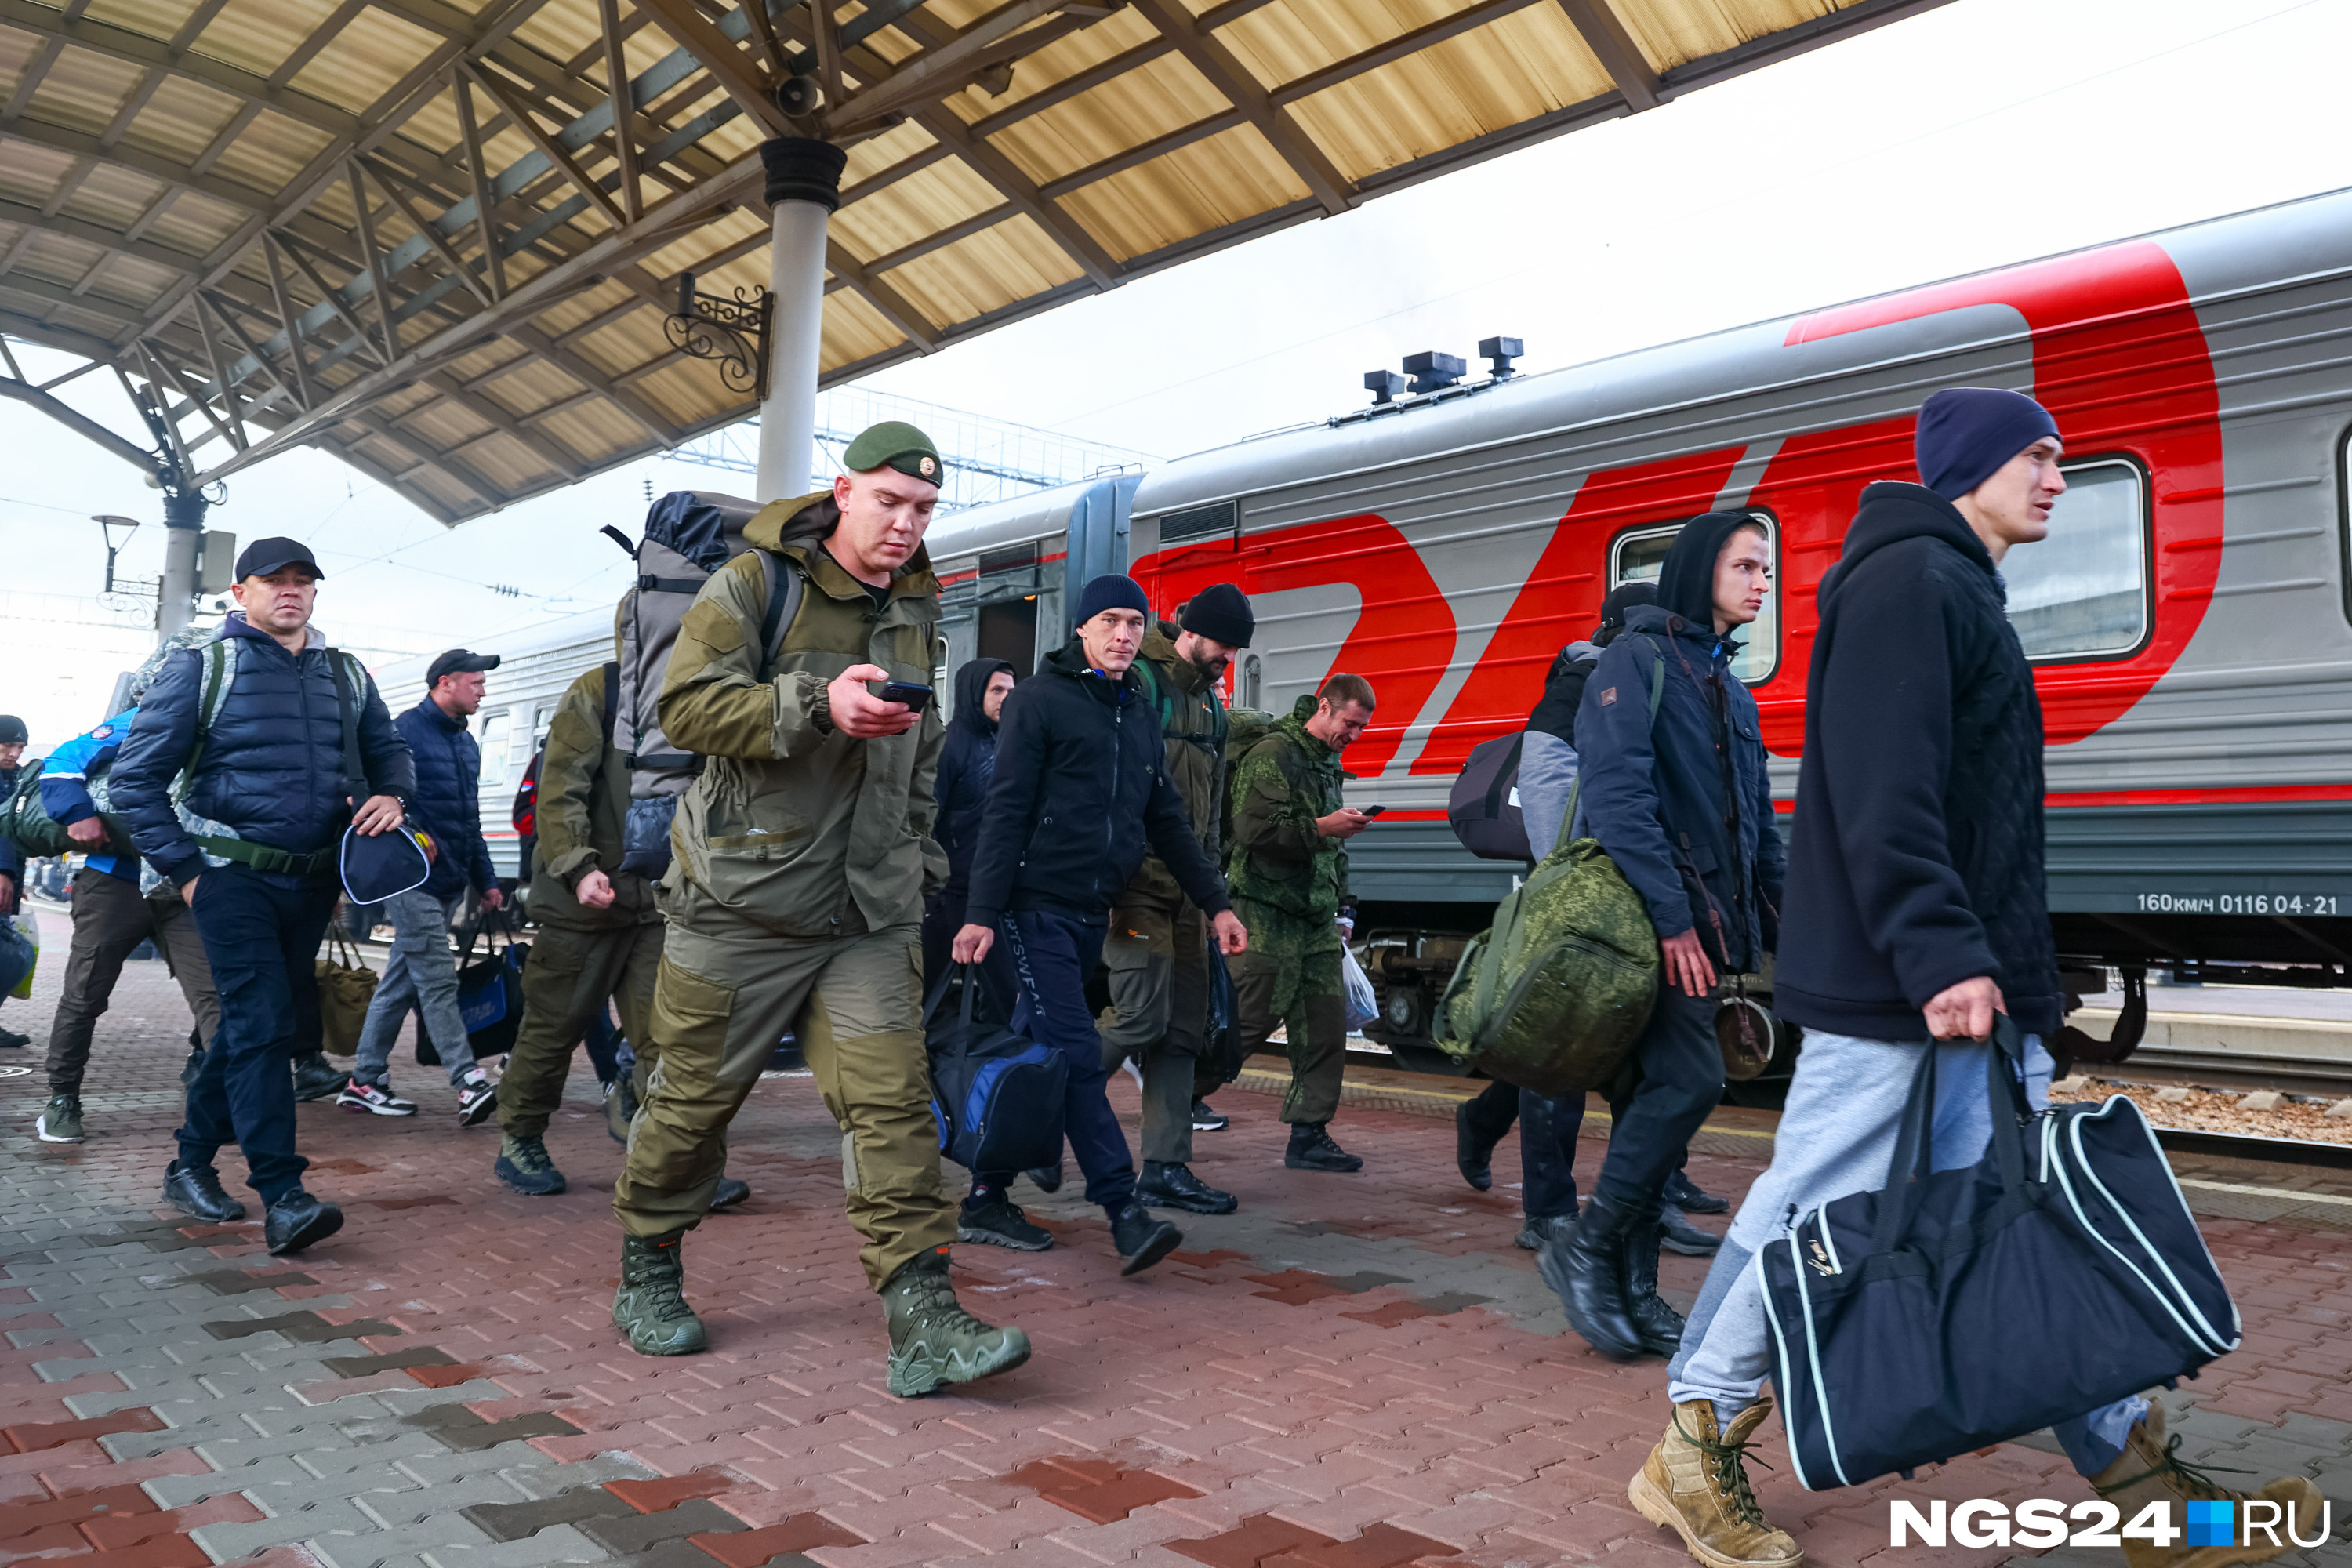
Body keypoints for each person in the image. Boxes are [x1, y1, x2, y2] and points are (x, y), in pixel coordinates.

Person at [1633, 390, 2320, 1568]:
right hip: (1909, 991)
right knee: (1815, 1213)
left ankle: (2139, 1482)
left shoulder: (1948, 583)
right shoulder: (1911, 582)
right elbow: (1886, 791)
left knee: (2014, 1221)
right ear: (1972, 465)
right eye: (2038, 457)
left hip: (1954, 985)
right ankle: (1690, 1451)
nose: (2058, 478)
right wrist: (1943, 952)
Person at [610, 422, 1032, 1402]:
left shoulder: (918, 608)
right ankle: (649, 1267)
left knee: (892, 1106)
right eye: (889, 501)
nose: (905, 522)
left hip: (867, 912)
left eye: (924, 508)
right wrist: (813, 701)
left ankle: (923, 1312)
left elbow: (920, 757)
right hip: (740, 906)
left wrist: (920, 859)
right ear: (843, 492)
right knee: (690, 1104)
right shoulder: (756, 583)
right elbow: (688, 708)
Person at [111, 537, 414, 1255]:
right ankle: (283, 1194)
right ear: (239, 593)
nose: (290, 590)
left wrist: (395, 795)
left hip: (310, 880)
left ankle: (189, 1164)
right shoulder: (203, 667)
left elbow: (387, 750)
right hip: (228, 876)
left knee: (252, 1028)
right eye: (272, 580)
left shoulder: (345, 673)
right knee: (267, 1023)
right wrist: (188, 872)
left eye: (302, 580)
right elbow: (133, 781)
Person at [1540, 512, 1782, 1364]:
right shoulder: (1633, 661)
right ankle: (1586, 1242)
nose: (1763, 581)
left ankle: (1633, 1293)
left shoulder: (1727, 684)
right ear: (1697, 570)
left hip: (1708, 926)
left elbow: (1758, 824)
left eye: (1766, 567)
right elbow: (1618, 800)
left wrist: (1784, 923)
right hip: (1655, 927)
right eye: (1746, 565)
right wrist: (1674, 920)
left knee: (1652, 1100)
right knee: (1688, 1080)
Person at [956, 574, 1249, 1276]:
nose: (1123, 634)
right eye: (1110, 621)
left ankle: (987, 1192)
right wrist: (982, 914)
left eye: (1133, 622)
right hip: (1034, 907)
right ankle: (1124, 1210)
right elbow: (1007, 811)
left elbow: (1167, 822)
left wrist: (1217, 902)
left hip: (1094, 908)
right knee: (1077, 1055)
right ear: (1082, 630)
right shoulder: (1038, 701)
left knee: (1035, 1047)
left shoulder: (1134, 712)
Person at [1097, 584, 1254, 1221]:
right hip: (1135, 887)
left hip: (1191, 892)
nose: (1229, 659)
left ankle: (1164, 1166)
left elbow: (1211, 806)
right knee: (1138, 1017)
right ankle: (1032, 1114)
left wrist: (1214, 889)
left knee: (1182, 1030)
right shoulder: (1139, 683)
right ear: (1193, 632)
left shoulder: (1213, 707)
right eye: (1224, 645)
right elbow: (1107, 786)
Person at [489, 645, 666, 1198]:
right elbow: (561, 789)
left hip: (658, 902)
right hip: (584, 900)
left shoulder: (706, 693)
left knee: (672, 1037)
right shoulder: (599, 692)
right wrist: (578, 866)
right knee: (551, 1031)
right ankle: (520, 1137)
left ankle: (670, 1157)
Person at [32, 697, 223, 1144]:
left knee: (217, 995)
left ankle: (219, 1094)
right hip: (115, 880)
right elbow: (64, 761)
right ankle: (62, 1097)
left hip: (186, 884)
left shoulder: (243, 724)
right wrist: (77, 813)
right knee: (85, 994)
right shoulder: (153, 716)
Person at [340, 649, 506, 1122]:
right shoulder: (403, 734)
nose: (482, 691)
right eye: (475, 683)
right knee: (436, 977)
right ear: (445, 682)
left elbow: (469, 822)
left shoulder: (466, 745)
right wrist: (415, 832)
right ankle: (467, 1080)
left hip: (450, 879)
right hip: (410, 877)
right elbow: (372, 802)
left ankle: (364, 1079)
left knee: (400, 984)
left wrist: (486, 881)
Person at [1225, 674, 1376, 1173]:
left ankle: (1309, 1134)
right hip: (1266, 911)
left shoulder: (1327, 764)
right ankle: (1177, 1097)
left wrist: (1345, 908)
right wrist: (1321, 827)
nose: (1353, 735)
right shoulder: (1274, 753)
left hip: (1315, 921)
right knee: (1249, 1023)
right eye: (1350, 724)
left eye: (1361, 728)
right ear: (1326, 707)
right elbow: (1251, 830)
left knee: (1325, 1028)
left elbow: (1335, 847)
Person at [0, 715, 28, 1050]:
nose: (14, 753)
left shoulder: (15, 779)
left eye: (19, 747)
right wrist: (4, 872)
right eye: (8, 745)